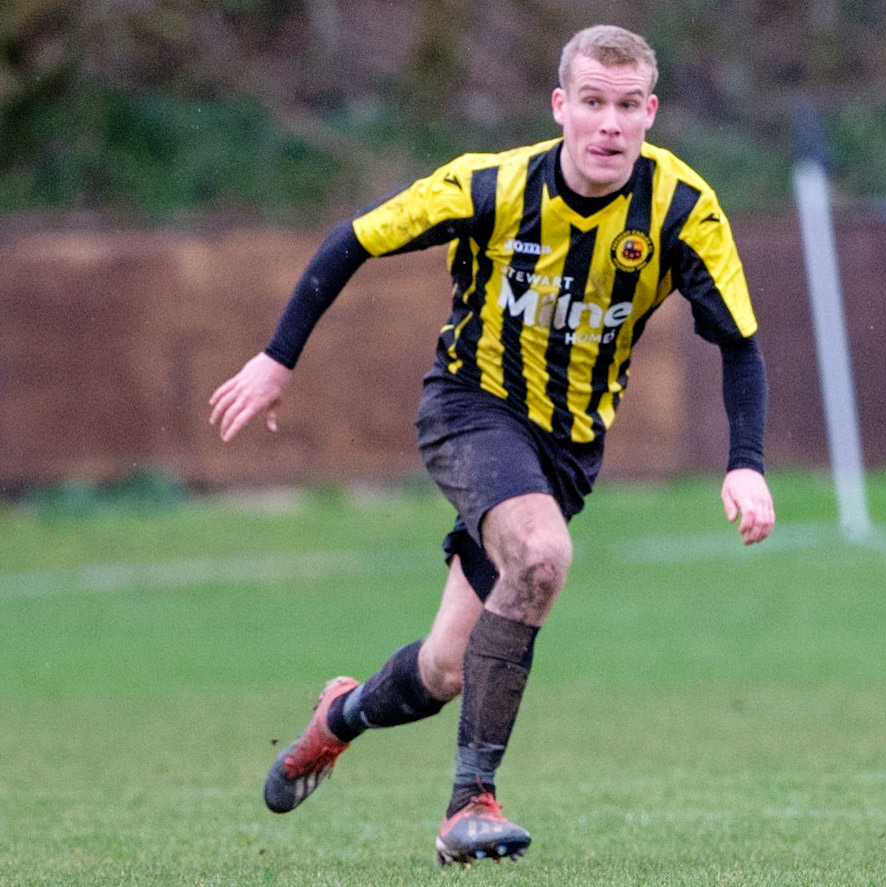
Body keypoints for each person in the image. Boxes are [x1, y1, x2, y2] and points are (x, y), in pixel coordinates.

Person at [208, 24, 775, 867]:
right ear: (561, 108)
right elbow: (354, 238)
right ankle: (470, 801)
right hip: (469, 410)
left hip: (567, 453)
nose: (610, 125)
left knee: (443, 669)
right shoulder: (490, 186)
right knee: (543, 557)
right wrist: (276, 359)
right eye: (592, 103)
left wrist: (746, 464)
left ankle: (340, 716)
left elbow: (740, 342)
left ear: (651, 113)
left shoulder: (683, 210)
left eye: (627, 106)